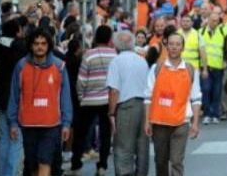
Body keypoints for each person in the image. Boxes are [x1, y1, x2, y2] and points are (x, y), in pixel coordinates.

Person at [8, 28, 73, 176]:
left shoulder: (59, 66)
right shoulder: (21, 66)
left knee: (45, 161)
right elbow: (14, 96)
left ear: (48, 45)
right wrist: (12, 123)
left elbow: (65, 98)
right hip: (27, 125)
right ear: (30, 45)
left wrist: (66, 123)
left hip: (51, 125)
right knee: (32, 166)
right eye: (36, 43)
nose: (40, 47)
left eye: (43, 43)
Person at [144, 33, 202, 176]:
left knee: (176, 161)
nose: (174, 47)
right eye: (171, 44)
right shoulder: (156, 69)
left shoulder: (190, 70)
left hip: (181, 123)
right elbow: (148, 97)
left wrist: (195, 123)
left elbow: (196, 99)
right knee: (160, 161)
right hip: (159, 122)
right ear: (166, 46)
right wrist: (147, 121)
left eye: (177, 44)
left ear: (182, 47)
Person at [70, 25, 117, 174]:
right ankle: (102, 165)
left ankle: (76, 164)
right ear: (110, 38)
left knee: (81, 133)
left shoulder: (88, 55)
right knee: (105, 133)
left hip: (88, 101)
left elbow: (81, 80)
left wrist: (80, 97)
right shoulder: (115, 55)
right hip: (107, 101)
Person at [107, 31, 150, 176]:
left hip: (126, 106)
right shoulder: (141, 60)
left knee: (123, 147)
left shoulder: (116, 61)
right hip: (144, 105)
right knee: (142, 147)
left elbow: (114, 91)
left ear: (116, 45)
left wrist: (111, 113)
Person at [0, 18, 28, 176]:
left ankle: (2, 173)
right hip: (17, 98)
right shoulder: (20, 47)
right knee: (16, 140)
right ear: (17, 31)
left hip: (1, 97)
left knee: (4, 137)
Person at [200, 12, 227, 124]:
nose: (214, 22)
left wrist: (225, 61)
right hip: (205, 67)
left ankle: (215, 114)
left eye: (216, 20)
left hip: (218, 66)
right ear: (208, 20)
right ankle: (207, 114)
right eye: (212, 20)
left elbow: (225, 48)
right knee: (206, 90)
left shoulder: (222, 32)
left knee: (216, 92)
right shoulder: (201, 32)